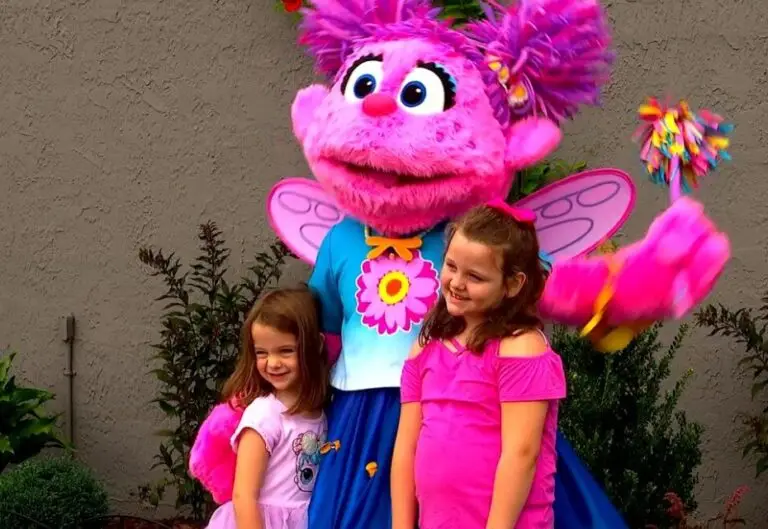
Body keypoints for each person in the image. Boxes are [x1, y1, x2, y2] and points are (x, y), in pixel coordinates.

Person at [391, 201, 566, 529]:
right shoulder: (424, 349)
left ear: (513, 284)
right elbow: (405, 449)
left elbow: (521, 454)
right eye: (451, 266)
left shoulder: (520, 348)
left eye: (475, 276)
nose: (457, 283)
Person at [206, 287, 330, 529]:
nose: (273, 363)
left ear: (316, 345)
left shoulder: (320, 413)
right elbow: (244, 496)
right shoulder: (265, 415)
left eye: (286, 350)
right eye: (262, 353)